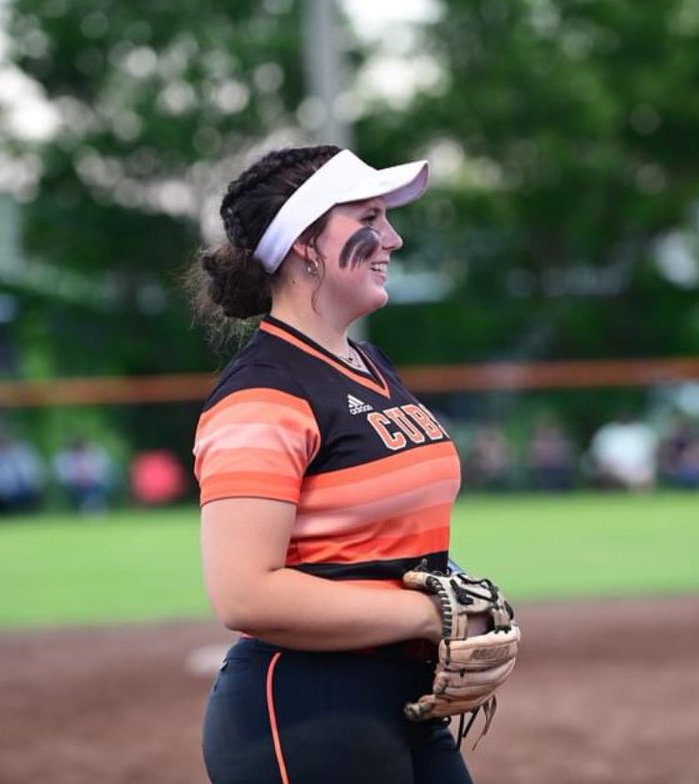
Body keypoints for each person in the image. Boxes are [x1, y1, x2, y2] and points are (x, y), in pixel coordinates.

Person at [186, 145, 516, 784]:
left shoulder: (371, 367)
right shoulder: (265, 391)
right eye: (369, 216)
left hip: (404, 704)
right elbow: (244, 592)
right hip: (308, 709)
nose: (391, 236)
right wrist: (429, 615)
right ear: (306, 243)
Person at [588, 411, 659, 491]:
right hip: (614, 470)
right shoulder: (607, 432)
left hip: (640, 469)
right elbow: (600, 456)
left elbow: (653, 454)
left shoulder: (644, 432)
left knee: (645, 476)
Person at [53, 437, 113, 514]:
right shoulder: (67, 457)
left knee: (94, 488)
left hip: (93, 482)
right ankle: (92, 507)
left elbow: (101, 469)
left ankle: (92, 506)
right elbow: (63, 473)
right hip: (74, 483)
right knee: (85, 490)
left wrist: (88, 478)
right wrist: (76, 478)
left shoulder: (93, 454)